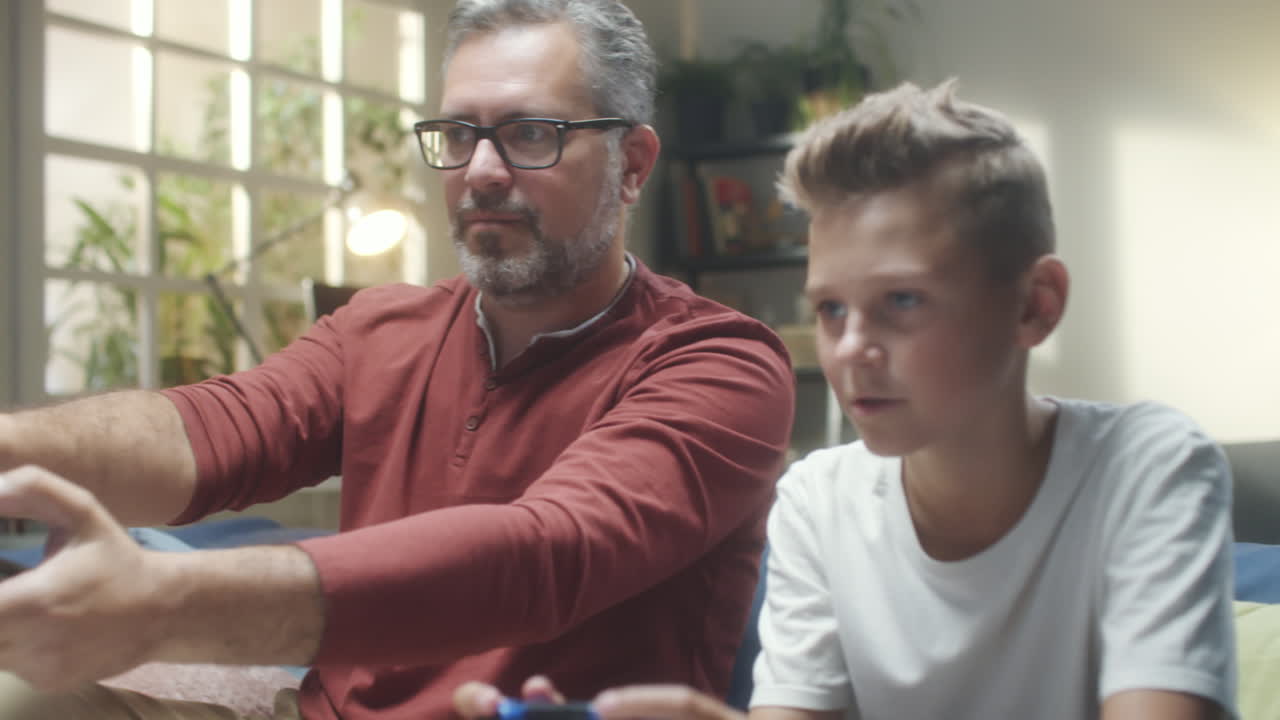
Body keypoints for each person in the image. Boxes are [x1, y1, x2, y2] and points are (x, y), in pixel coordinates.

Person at [0, 1, 795, 718]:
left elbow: (541, 556)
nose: (481, 170)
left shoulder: (719, 364)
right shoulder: (382, 327)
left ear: (632, 164)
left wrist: (161, 603)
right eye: (459, 134)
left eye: (529, 134)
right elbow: (213, 431)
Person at [454, 81, 1238, 720]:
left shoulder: (1149, 466)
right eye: (830, 310)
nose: (851, 349)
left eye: (901, 301)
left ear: (1035, 304)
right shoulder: (817, 501)